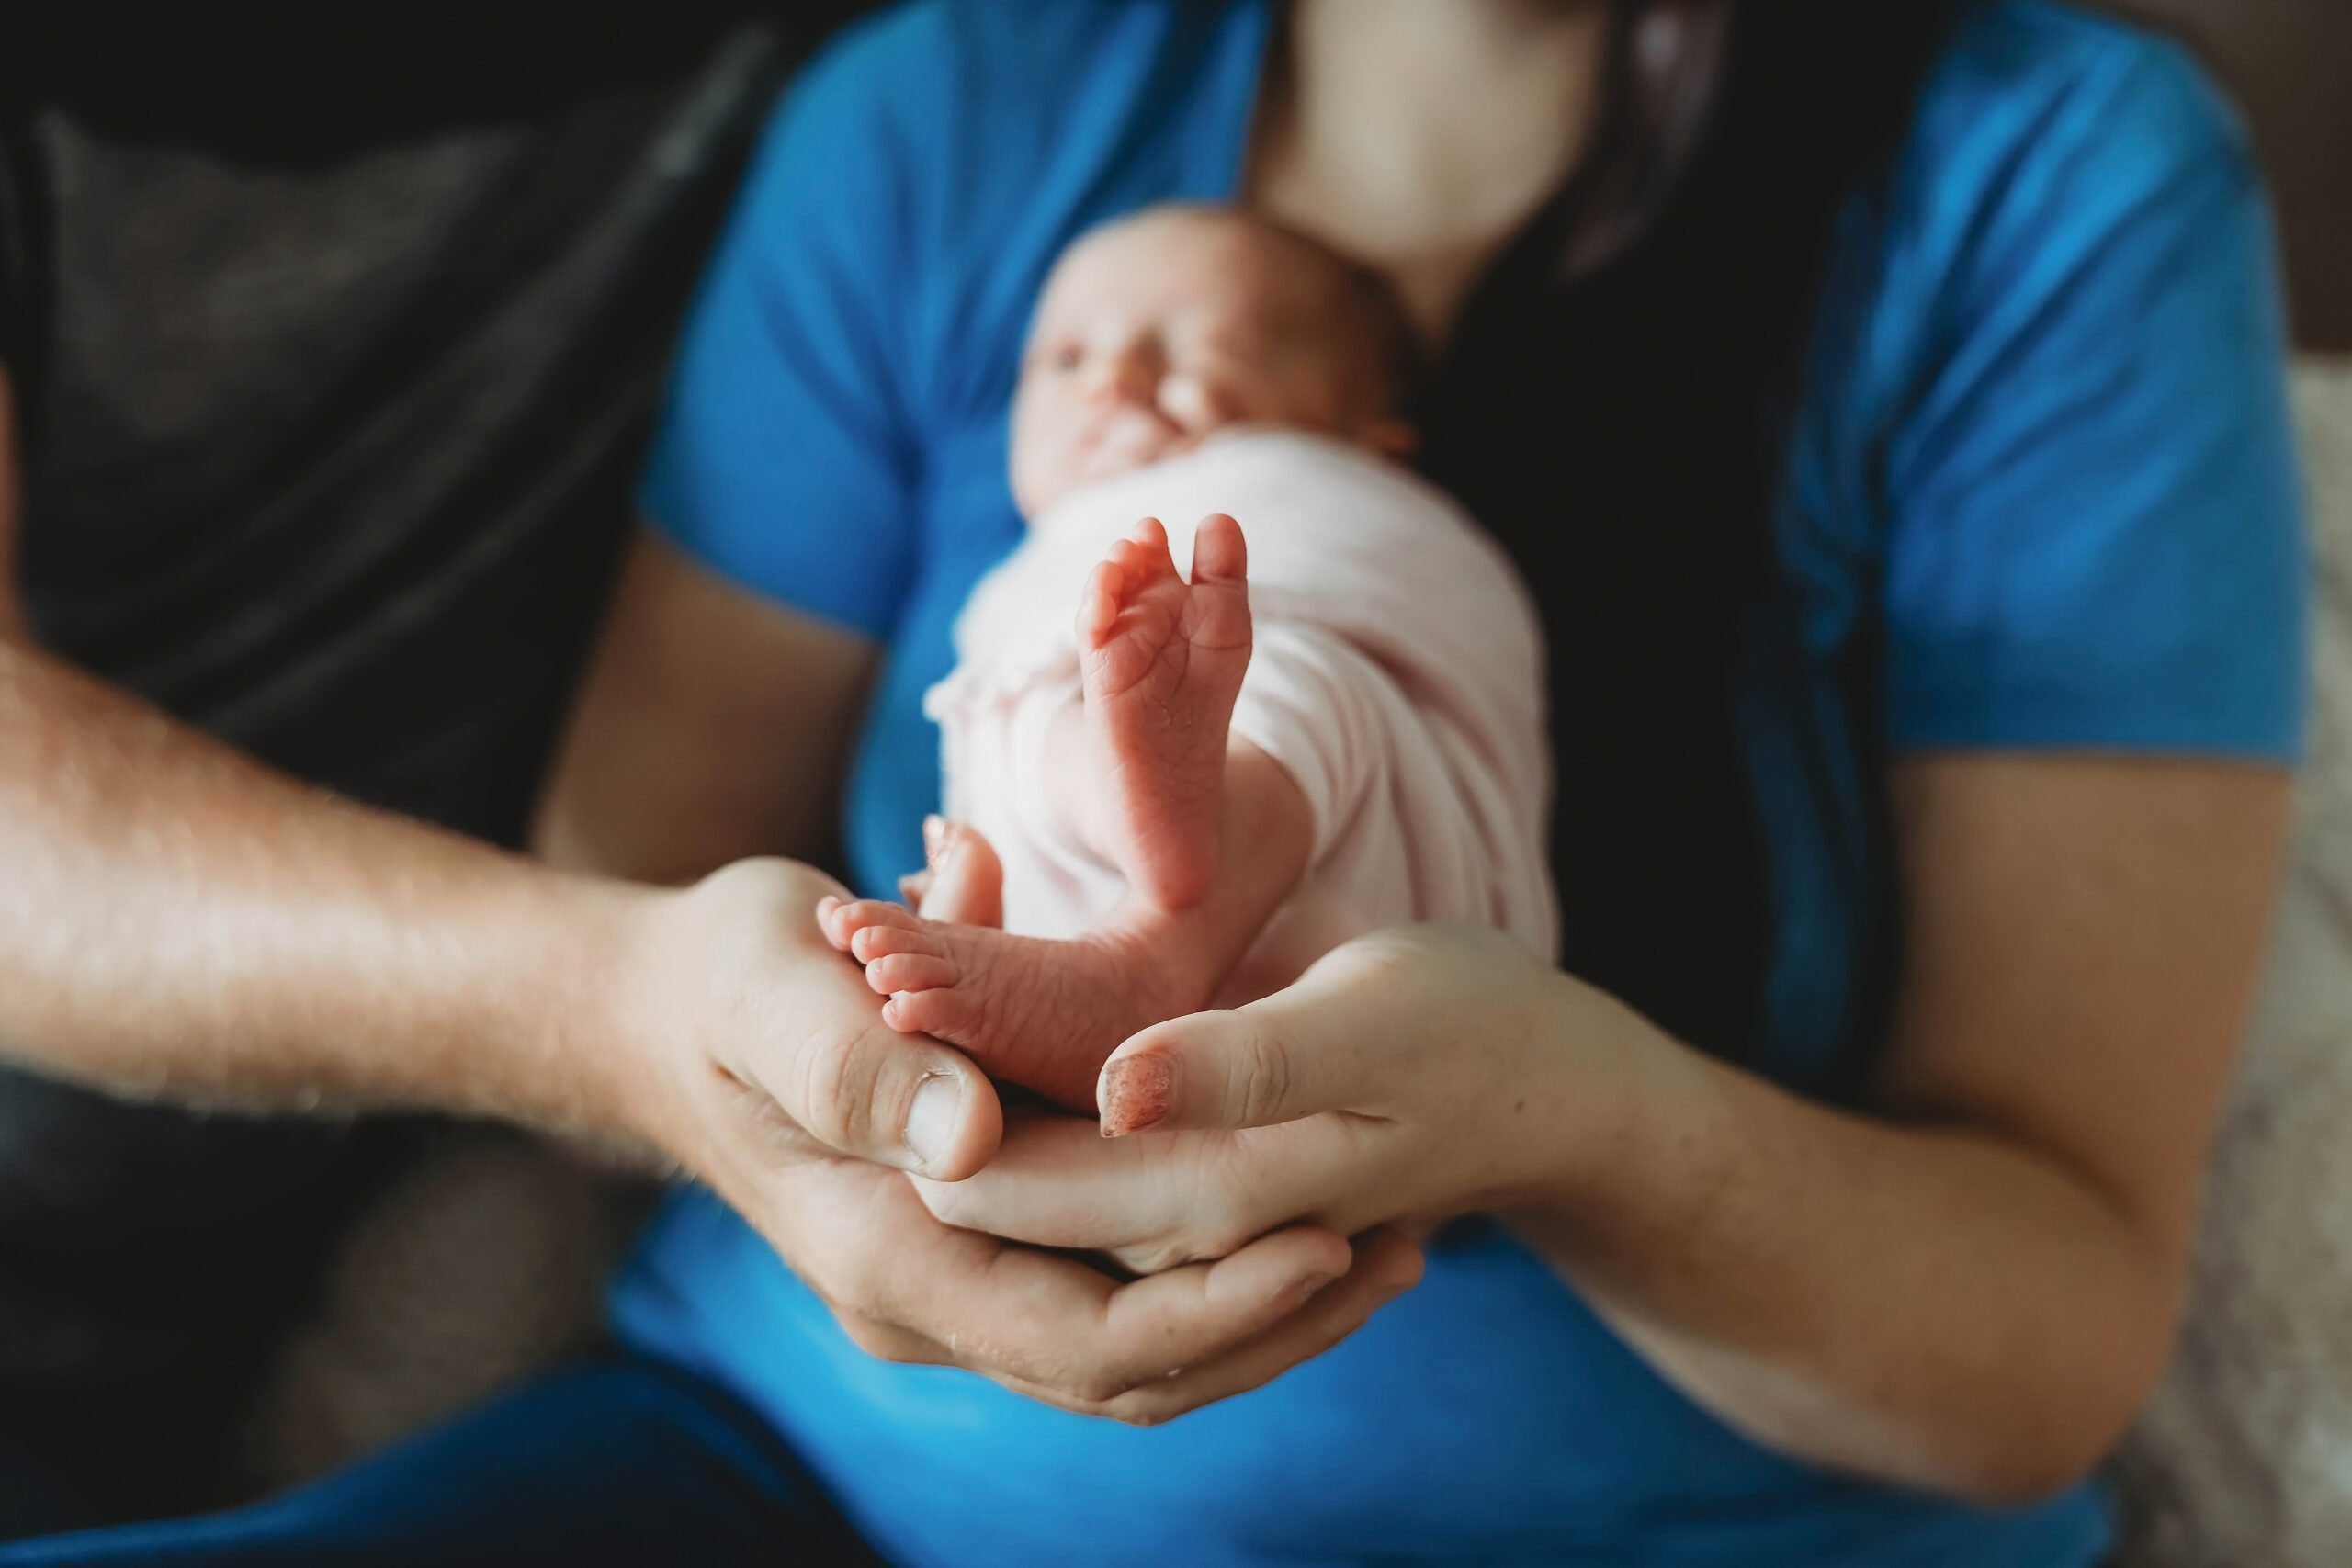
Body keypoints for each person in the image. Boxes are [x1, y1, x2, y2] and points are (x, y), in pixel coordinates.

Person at [0, 2, 2306, 1566]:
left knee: (1280, 751)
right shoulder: (944, 115)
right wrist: (785, 1056)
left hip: (1676, 1524)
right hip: (821, 1469)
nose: (1131, 384)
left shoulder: (2041, 188)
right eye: (1092, 367)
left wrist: (1586, 1125)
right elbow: (638, 876)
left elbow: (2043, 1325)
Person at [820, 203, 1554, 1111]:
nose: (1113, 380)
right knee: (1019, 724)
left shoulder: (1335, 504)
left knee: (1300, 688)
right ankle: (1115, 845)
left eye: (1201, 349)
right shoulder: (1023, 583)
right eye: (1064, 360)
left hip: (1383, 910)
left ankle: (1161, 873)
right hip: (1171, 1080)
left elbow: (1454, 631)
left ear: (1375, 445)